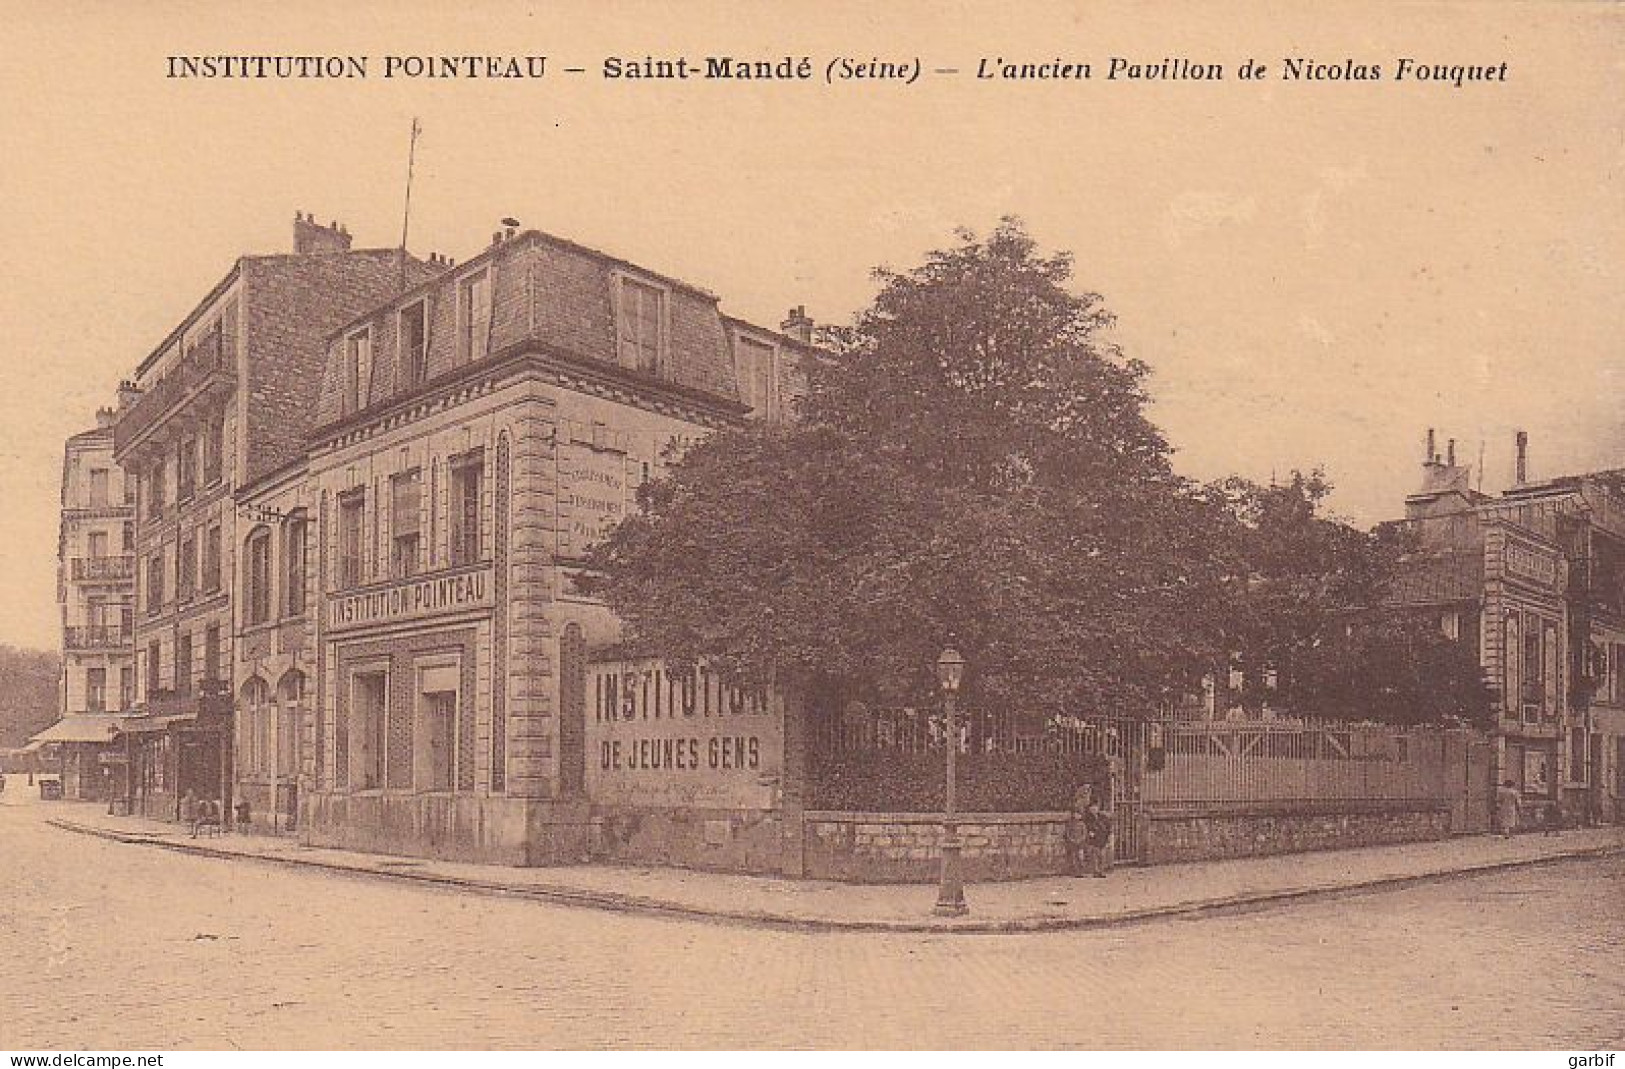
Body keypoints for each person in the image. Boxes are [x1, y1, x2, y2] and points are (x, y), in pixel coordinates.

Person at [1082, 796, 1114, 878]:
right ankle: (1096, 871)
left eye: (1095, 808)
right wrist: (1090, 832)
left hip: (1102, 838)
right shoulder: (1088, 818)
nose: (1094, 810)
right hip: (1093, 840)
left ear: (1098, 808)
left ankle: (1101, 871)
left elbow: (1108, 826)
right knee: (1095, 856)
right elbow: (1087, 827)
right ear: (1089, 810)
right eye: (1092, 809)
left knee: (1102, 856)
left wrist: (1109, 835)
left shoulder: (1103, 817)